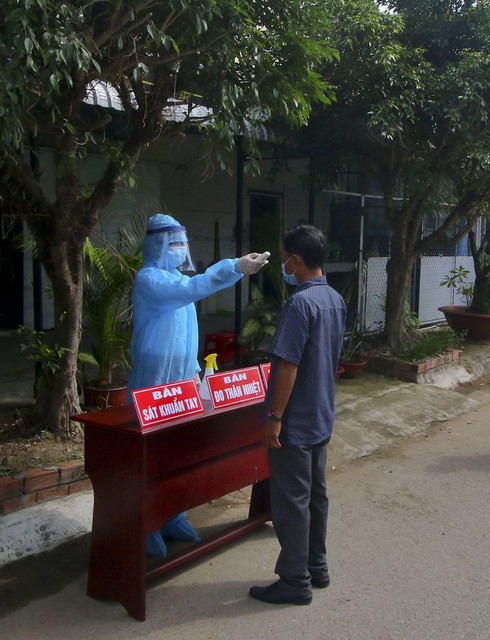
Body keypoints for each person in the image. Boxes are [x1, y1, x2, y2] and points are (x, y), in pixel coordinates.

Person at [128, 213, 270, 557]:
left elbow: (189, 333)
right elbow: (190, 289)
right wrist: (234, 266)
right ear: (157, 244)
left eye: (182, 243)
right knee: (150, 455)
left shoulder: (176, 278)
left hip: (180, 380)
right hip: (153, 382)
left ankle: (173, 514)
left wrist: (194, 374)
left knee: (177, 451)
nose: (179, 250)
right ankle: (146, 523)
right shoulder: (150, 280)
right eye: (173, 243)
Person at [249, 225, 346, 606]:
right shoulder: (334, 299)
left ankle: (293, 581)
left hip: (296, 421)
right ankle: (316, 567)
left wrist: (275, 417)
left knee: (291, 502)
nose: (284, 264)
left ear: (297, 260)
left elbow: (287, 365)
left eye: (285, 257)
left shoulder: (299, 305)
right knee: (316, 497)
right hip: (321, 415)